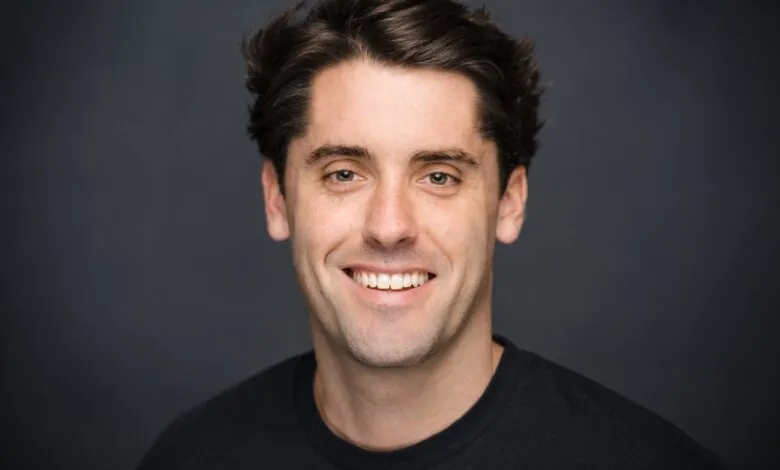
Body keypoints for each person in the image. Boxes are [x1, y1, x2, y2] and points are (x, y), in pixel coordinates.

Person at [137, 0, 725, 468]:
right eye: (344, 173)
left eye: (439, 175)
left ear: (508, 203)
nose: (389, 226)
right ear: (277, 199)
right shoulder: (192, 455)